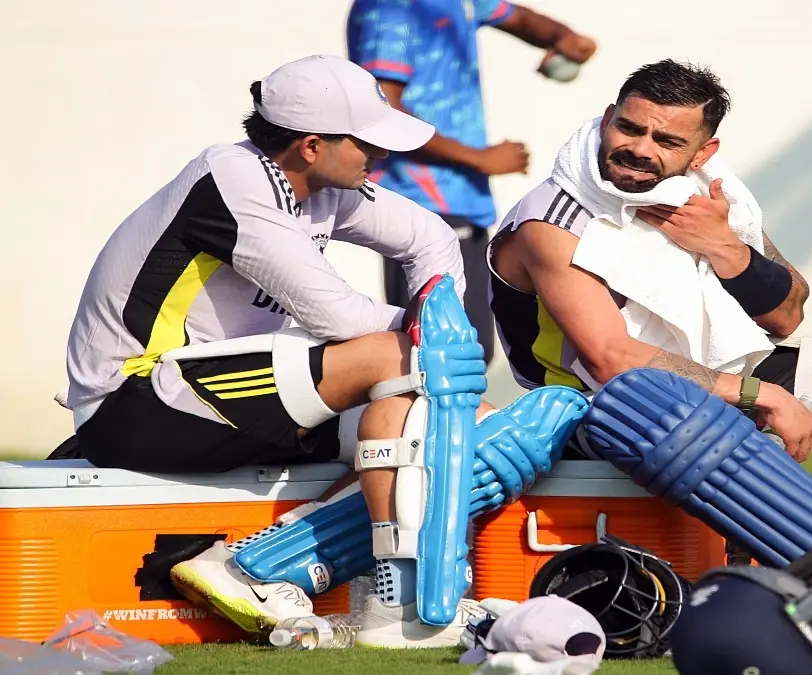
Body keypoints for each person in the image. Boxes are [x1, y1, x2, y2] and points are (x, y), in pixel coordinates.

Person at [60, 54, 587, 648]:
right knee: (402, 360)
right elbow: (336, 317)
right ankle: (377, 601)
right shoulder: (233, 180)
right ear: (311, 145)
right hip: (134, 401)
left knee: (477, 433)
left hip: (227, 399)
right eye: (367, 142)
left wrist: (443, 333)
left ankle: (305, 582)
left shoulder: (321, 181)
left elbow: (432, 238)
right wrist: (438, 339)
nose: (382, 157)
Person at [487, 59, 812, 465]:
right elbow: (612, 360)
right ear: (609, 119)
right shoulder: (552, 221)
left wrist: (725, 246)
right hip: (603, 408)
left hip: (730, 374)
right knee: (701, 435)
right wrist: (763, 395)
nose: (641, 149)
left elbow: (787, 315)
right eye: (629, 128)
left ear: (702, 153)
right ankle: (807, 538)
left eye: (667, 140)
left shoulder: (706, 194)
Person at [346, 0, 597, 366]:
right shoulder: (391, 7)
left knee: (473, 349)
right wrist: (480, 159)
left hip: (463, 202)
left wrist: (563, 37)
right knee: (439, 355)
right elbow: (384, 110)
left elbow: (518, 18)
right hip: (420, 203)